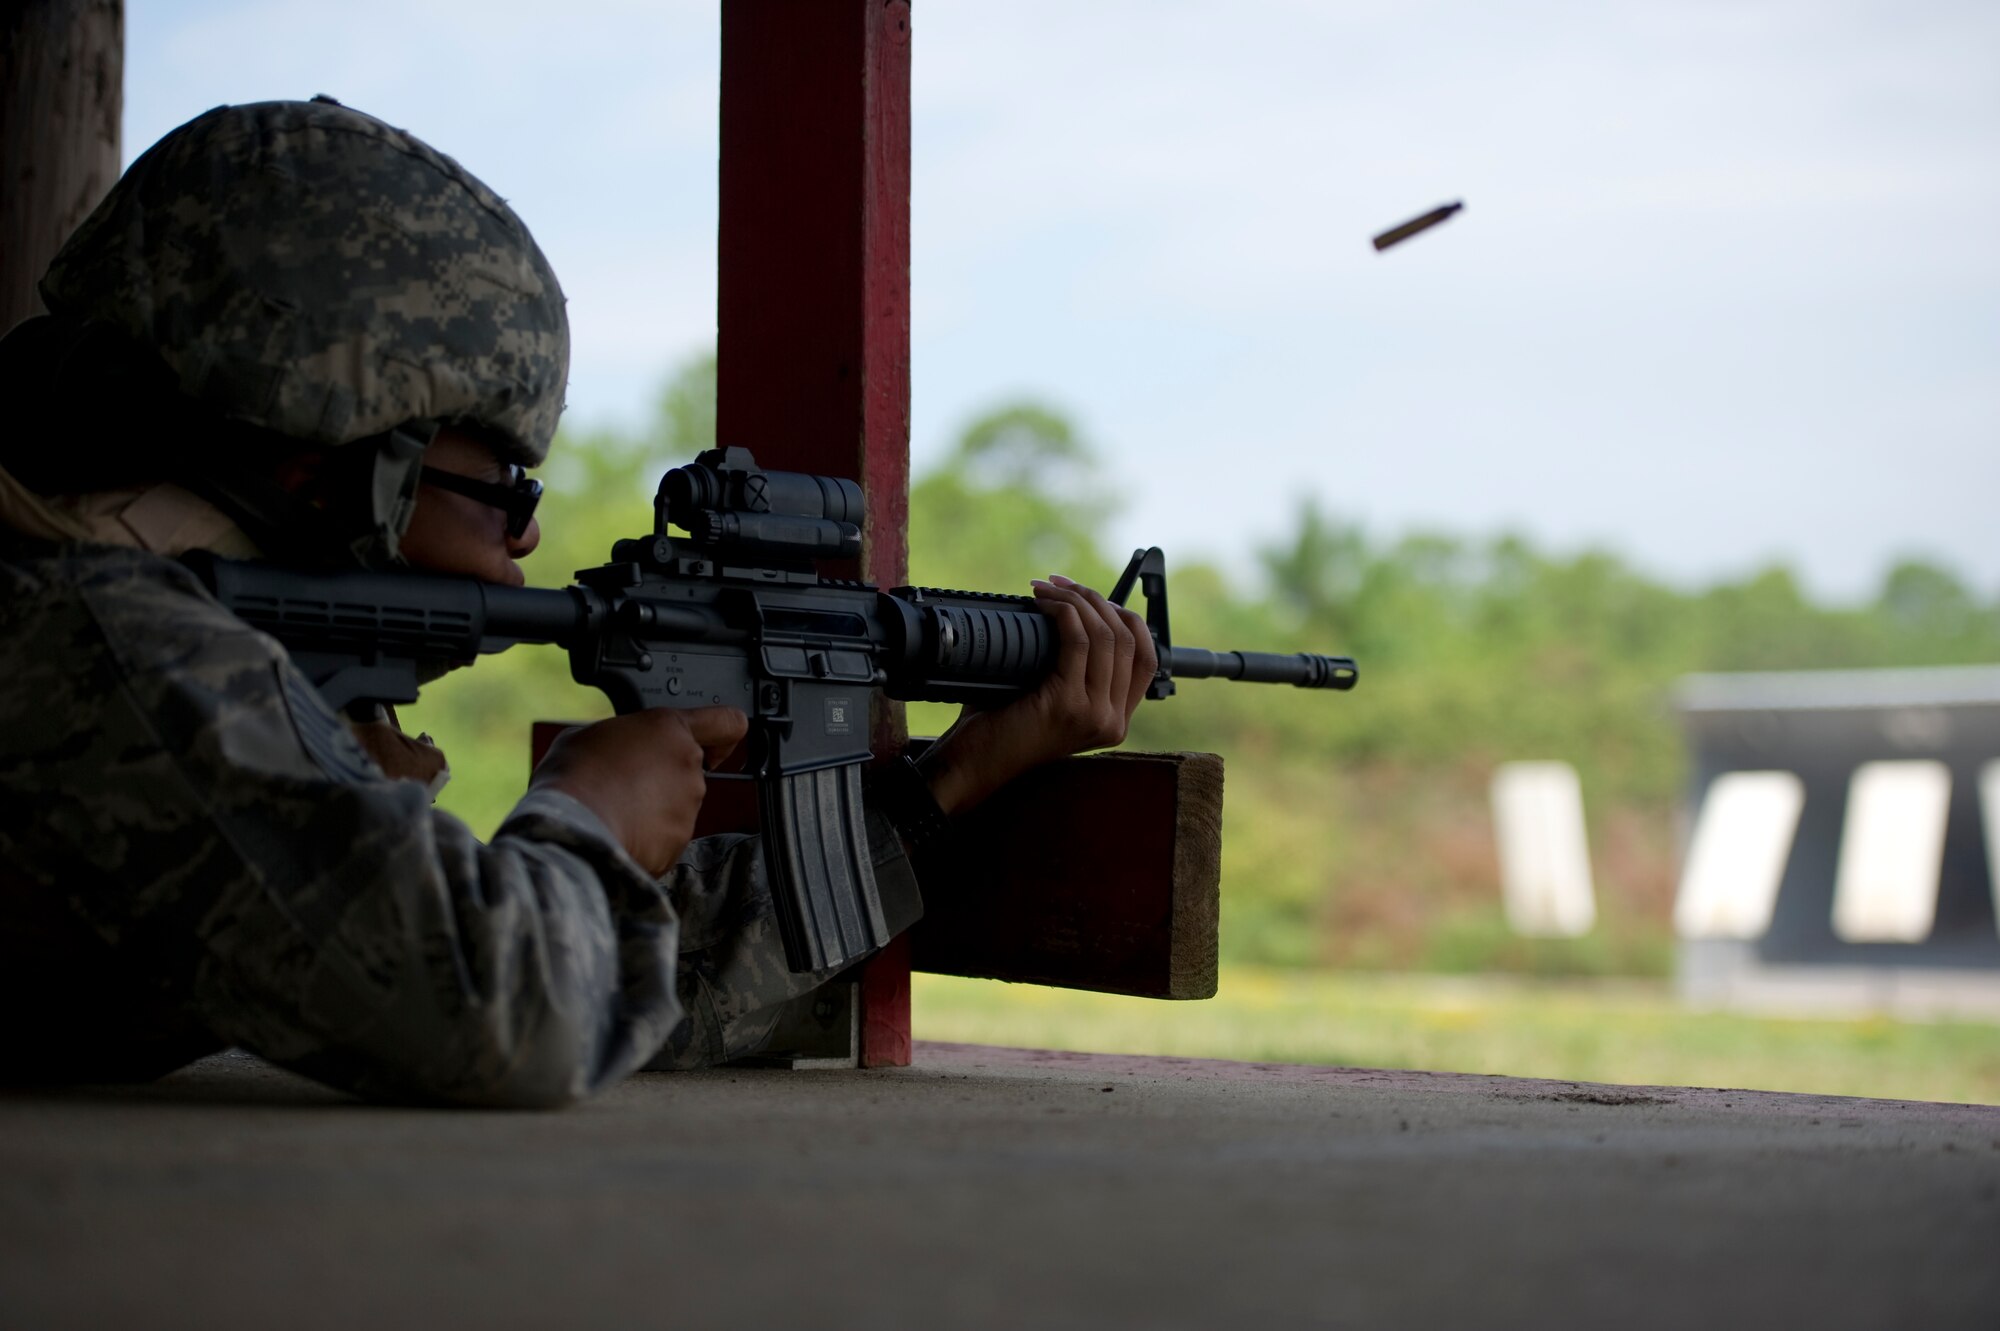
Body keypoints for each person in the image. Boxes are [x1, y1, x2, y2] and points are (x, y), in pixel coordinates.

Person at [0, 98, 1154, 1106]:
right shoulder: (106, 647)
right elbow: (504, 1018)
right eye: (504, 484)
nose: (532, 534)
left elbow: (613, 986)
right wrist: (585, 816)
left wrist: (956, 778)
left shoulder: (116, 627)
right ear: (341, 456)